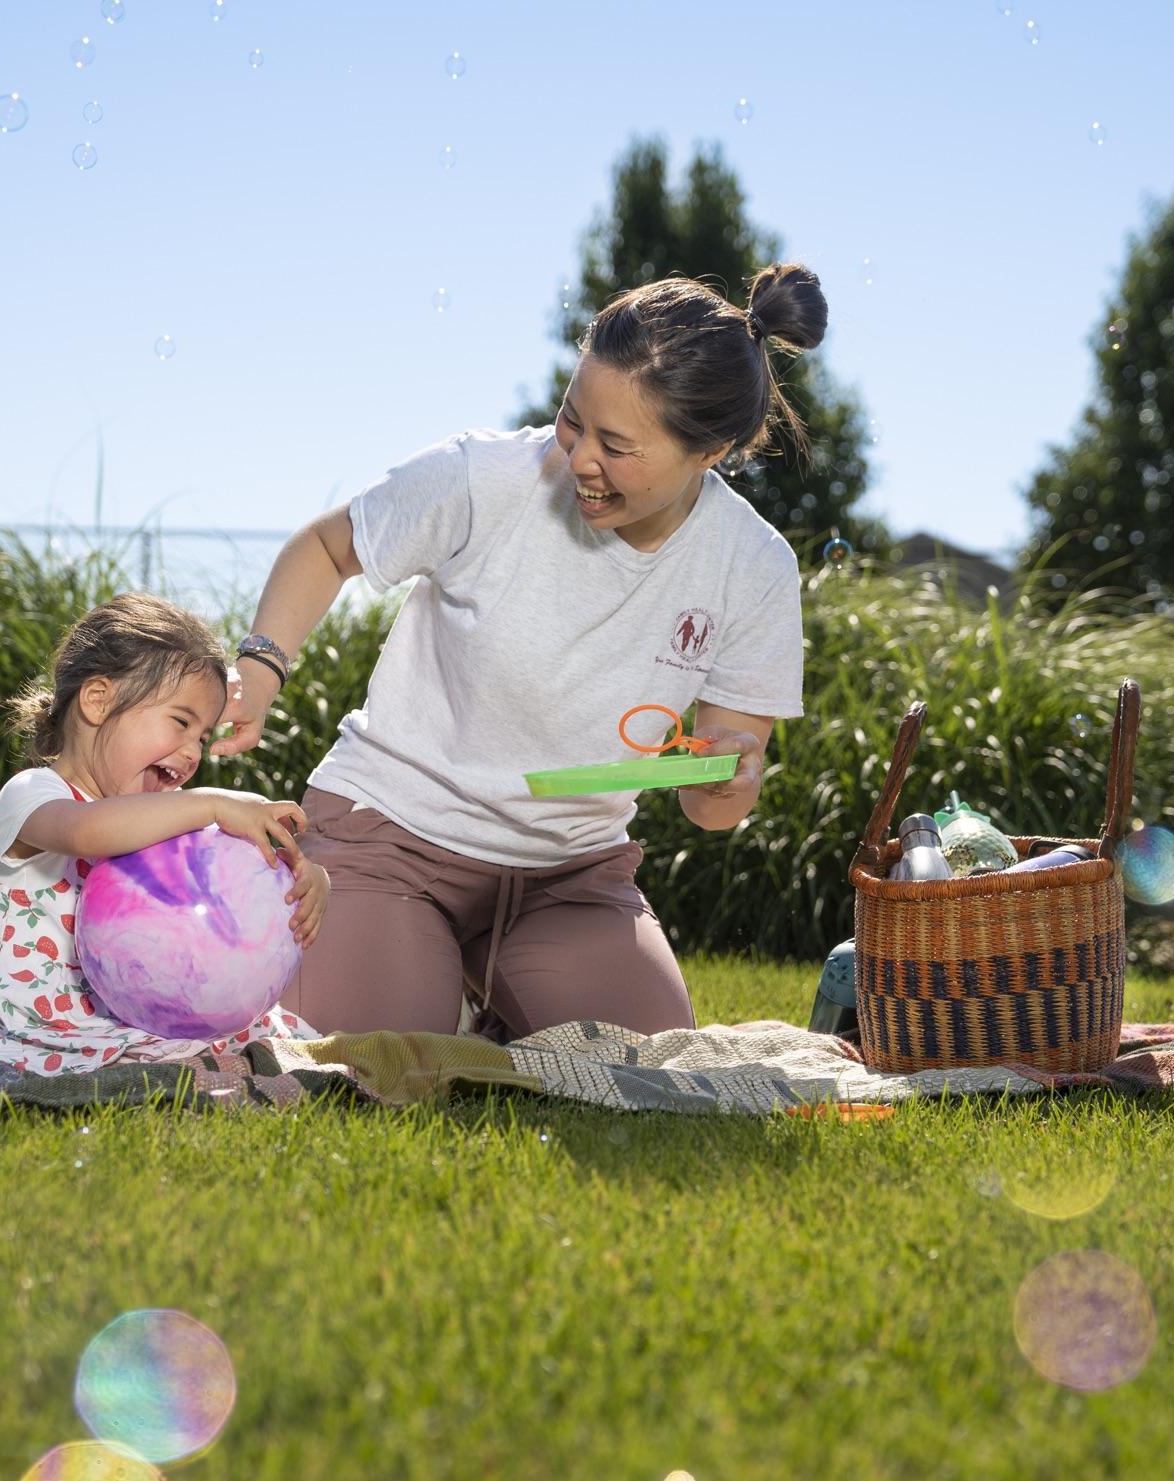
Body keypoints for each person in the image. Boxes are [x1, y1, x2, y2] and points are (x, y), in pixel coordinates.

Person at [209, 264, 824, 1039]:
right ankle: (431, 980)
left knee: (643, 1068)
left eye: (618, 445)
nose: (579, 460)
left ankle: (485, 1001)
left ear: (713, 450)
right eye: (574, 420)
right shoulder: (485, 478)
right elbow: (327, 548)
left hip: (569, 875)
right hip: (391, 835)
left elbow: (711, 807)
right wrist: (259, 670)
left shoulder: (753, 566)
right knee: (378, 1066)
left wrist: (729, 775)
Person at [0, 593, 330, 1075]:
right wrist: (212, 804)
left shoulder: (155, 820)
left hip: (145, 1015)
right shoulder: (31, 795)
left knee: (279, 1042)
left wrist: (301, 879)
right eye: (180, 722)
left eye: (202, 736)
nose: (194, 752)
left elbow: (228, 886)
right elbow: (88, 833)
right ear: (97, 700)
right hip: (46, 1023)